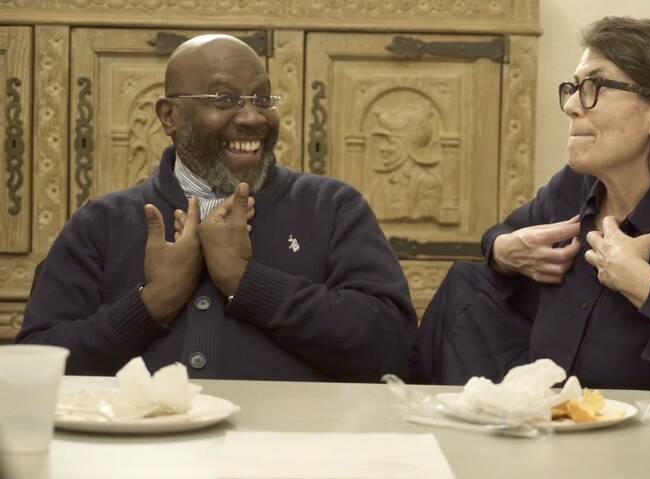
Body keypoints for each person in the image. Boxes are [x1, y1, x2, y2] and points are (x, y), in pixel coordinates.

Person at [410, 17, 650, 391]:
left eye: (594, 86)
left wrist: (636, 278)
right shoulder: (577, 185)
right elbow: (505, 233)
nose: (572, 105)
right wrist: (503, 249)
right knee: (469, 279)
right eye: (574, 87)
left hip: (644, 441)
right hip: (553, 418)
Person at [17, 34, 418, 382]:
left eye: (262, 98)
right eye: (224, 99)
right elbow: (36, 364)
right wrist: (151, 304)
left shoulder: (332, 207)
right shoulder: (101, 222)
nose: (251, 116)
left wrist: (248, 282)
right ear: (169, 116)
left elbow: (392, 350)